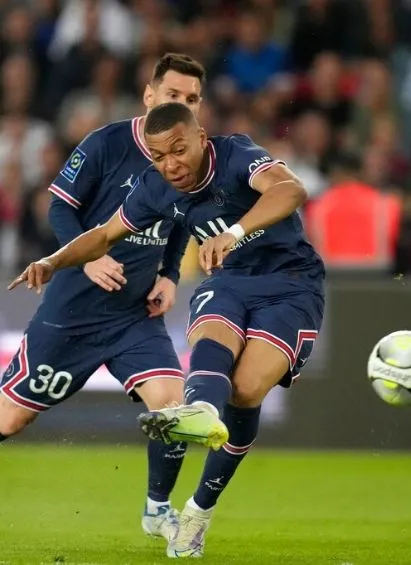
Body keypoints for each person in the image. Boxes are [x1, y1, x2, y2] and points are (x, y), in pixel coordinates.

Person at [9, 101, 323, 558]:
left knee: (249, 390)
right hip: (229, 281)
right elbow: (102, 234)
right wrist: (52, 261)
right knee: (214, 337)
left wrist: (232, 233)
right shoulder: (155, 188)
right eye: (159, 156)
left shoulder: (236, 155)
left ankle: (199, 510)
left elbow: (290, 191)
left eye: (179, 150)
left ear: (200, 136)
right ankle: (196, 412)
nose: (171, 164)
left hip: (290, 283)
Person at [0, 53, 206, 541]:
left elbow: (181, 220)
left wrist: (171, 274)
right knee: (9, 418)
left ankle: (157, 509)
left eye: (192, 99)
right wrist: (88, 257)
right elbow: (59, 208)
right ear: (150, 96)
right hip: (73, 313)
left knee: (172, 404)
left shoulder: (192, 156)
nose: (183, 105)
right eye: (173, 95)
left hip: (134, 315)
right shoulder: (107, 143)